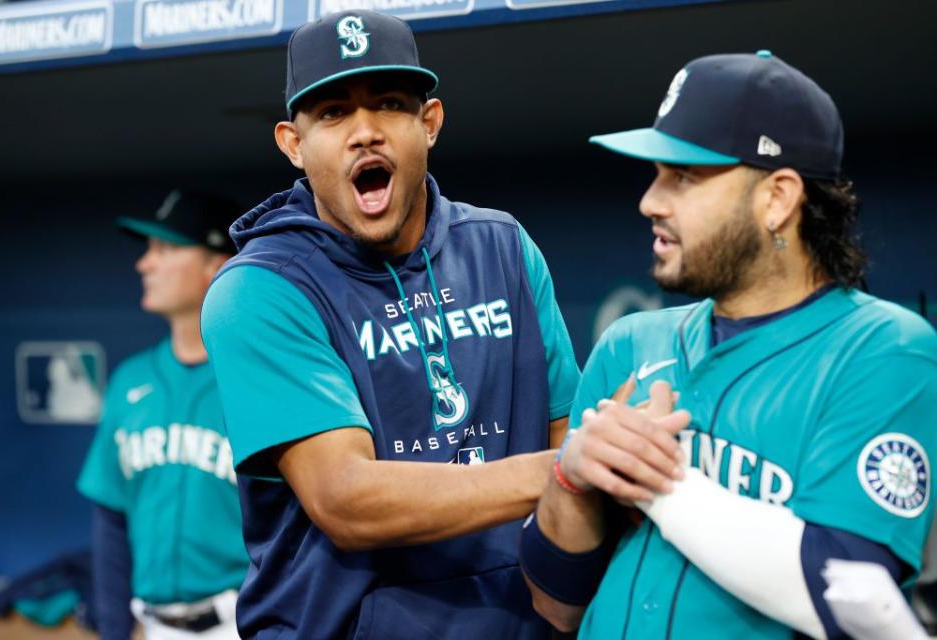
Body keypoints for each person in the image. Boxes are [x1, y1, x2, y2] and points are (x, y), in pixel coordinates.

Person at [520, 51, 937, 639]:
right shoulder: (630, 345)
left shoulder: (885, 351)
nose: (650, 201)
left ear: (777, 198)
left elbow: (851, 596)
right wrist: (573, 478)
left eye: (683, 177)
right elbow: (554, 602)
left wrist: (659, 482)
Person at [199, 10, 580, 640]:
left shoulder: (504, 247)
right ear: (294, 144)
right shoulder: (258, 289)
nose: (365, 132)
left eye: (389, 104)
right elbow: (346, 499)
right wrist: (566, 472)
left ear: (428, 123)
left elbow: (563, 429)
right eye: (332, 113)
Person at [77, 190, 249, 640]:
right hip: (152, 626)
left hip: (242, 622)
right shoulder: (129, 381)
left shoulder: (257, 382)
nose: (144, 264)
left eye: (165, 249)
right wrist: (114, 630)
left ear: (216, 265)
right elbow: (110, 520)